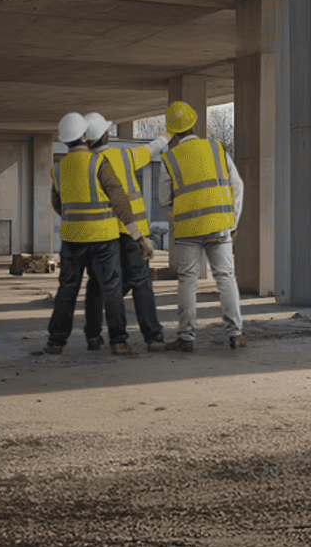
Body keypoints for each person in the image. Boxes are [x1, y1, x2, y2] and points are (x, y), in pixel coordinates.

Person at [45, 111, 154, 356]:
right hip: (104, 238)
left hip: (71, 239)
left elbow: (56, 202)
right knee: (111, 288)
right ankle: (118, 340)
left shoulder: (59, 168)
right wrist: (138, 236)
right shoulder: (98, 163)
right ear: (85, 135)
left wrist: (75, 219)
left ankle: (56, 341)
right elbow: (119, 200)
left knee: (68, 289)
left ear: (65, 139)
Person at [80, 112, 171, 352]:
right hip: (131, 233)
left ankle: (94, 337)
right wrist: (168, 133)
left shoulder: (84, 165)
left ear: (86, 140)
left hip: (99, 234)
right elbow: (153, 148)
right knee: (141, 282)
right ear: (107, 135)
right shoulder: (124, 156)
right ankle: (153, 337)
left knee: (98, 284)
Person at [159, 101, 246, 351]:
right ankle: (236, 334)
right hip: (220, 226)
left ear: (174, 131)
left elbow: (164, 199)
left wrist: (179, 219)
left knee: (187, 280)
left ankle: (186, 338)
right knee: (226, 277)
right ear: (194, 123)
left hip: (187, 231)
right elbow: (236, 186)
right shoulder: (217, 149)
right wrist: (233, 220)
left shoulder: (169, 159)